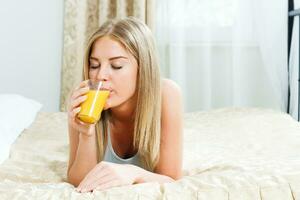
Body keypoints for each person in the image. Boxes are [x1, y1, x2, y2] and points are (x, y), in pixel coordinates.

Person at [67, 17, 183, 193]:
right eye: (94, 65)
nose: (100, 75)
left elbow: (171, 178)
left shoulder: (167, 94)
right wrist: (86, 135)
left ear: (143, 68)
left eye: (116, 65)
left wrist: (132, 173)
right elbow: (79, 182)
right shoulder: (83, 99)